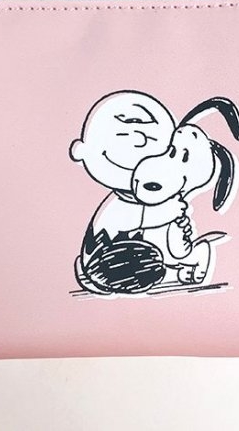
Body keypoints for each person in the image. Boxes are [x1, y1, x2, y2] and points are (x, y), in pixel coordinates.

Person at [69, 90, 186, 294]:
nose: (139, 139)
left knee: (149, 255)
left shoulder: (139, 196)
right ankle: (166, 275)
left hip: (114, 257)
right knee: (146, 261)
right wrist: (168, 212)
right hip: (103, 261)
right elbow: (135, 219)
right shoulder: (120, 203)